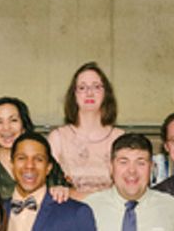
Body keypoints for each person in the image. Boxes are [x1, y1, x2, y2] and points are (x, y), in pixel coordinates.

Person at [0, 96, 68, 197]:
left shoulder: (43, 160)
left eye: (13, 120)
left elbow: (65, 191)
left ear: (23, 127)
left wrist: (62, 190)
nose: (6, 128)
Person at [48, 62, 125, 198]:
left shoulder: (120, 138)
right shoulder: (57, 137)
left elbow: (127, 188)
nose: (89, 93)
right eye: (82, 88)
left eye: (96, 87)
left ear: (106, 93)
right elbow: (48, 185)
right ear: (74, 95)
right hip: (69, 213)